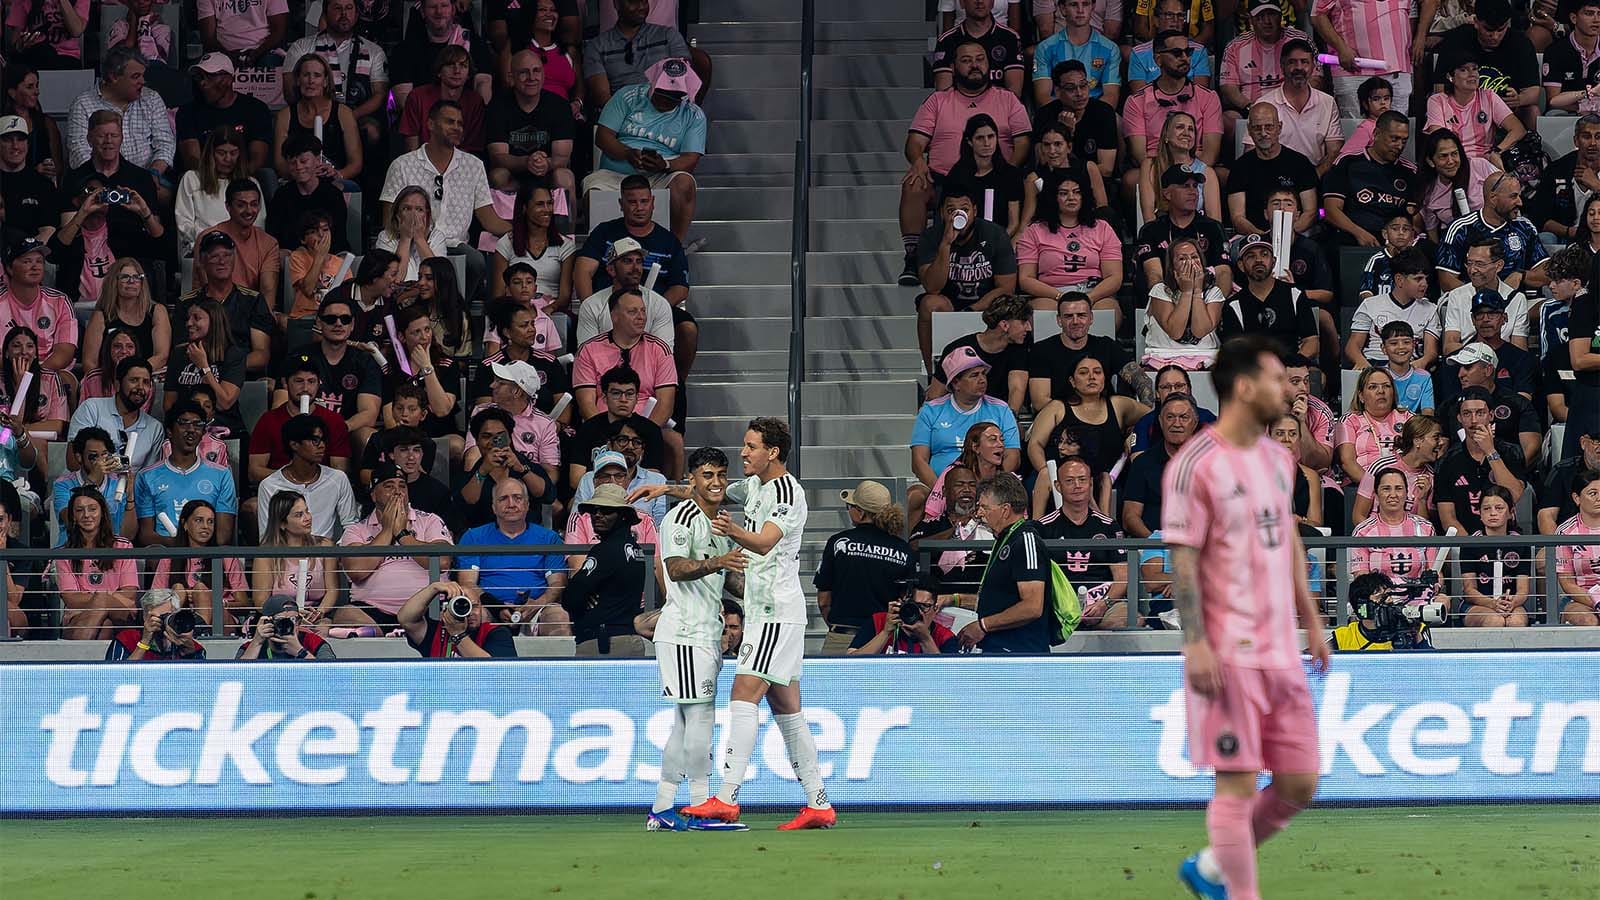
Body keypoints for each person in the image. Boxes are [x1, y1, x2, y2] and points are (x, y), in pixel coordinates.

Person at [1164, 335, 1330, 900]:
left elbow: (1286, 539)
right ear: (1243, 387)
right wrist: (1196, 642)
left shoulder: (1281, 459)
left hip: (1282, 647)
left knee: (1299, 784)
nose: (1288, 388)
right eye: (1277, 378)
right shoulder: (1194, 464)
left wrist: (1310, 616)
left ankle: (1211, 868)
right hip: (1228, 650)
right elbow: (1182, 558)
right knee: (1234, 786)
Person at [633, 418, 836, 829]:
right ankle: (818, 803)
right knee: (786, 707)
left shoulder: (785, 491)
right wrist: (665, 489)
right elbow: (710, 490)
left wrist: (732, 530)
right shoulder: (754, 486)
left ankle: (726, 797)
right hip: (766, 610)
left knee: (744, 694)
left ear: (772, 452)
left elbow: (764, 542)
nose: (742, 453)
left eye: (750, 446)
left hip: (775, 611)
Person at [643, 447, 751, 830]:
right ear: (693, 479)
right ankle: (701, 805)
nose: (717, 482)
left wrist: (757, 584)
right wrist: (718, 562)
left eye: (722, 474)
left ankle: (663, 807)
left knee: (684, 724)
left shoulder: (720, 521)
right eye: (707, 475)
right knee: (699, 718)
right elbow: (675, 568)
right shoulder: (679, 518)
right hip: (685, 633)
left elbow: (729, 580)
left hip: (704, 632)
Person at [900, 40, 1031, 281]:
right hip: (945, 180)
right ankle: (913, 256)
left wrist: (1005, 172)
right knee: (914, 182)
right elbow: (915, 142)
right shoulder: (937, 101)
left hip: (995, 175)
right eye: (966, 60)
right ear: (953, 66)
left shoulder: (1008, 99)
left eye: (980, 59)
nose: (974, 65)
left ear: (989, 64)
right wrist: (918, 161)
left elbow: (1023, 142)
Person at [379, 99, 510, 301]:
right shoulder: (402, 165)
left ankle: (457, 308)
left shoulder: (473, 165)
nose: (457, 127)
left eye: (460, 123)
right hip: (409, 240)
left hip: (454, 245)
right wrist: (409, 236)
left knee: (476, 261)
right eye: (450, 122)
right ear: (430, 124)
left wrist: (521, 230)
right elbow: (388, 218)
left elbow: (489, 219)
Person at [587, 58, 705, 243]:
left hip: (660, 175)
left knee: (684, 183)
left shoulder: (693, 114)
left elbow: (691, 159)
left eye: (673, 97)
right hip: (616, 172)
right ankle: (598, 247)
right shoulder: (628, 96)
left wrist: (665, 164)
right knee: (592, 190)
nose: (666, 101)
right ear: (653, 83)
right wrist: (627, 153)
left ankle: (675, 247)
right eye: (661, 93)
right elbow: (603, 137)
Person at [912, 187, 1019, 369]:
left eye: (964, 209)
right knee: (929, 304)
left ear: (974, 211)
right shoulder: (931, 237)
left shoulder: (994, 234)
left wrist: (972, 309)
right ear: (942, 213)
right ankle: (932, 371)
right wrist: (946, 244)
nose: (957, 215)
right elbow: (932, 287)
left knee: (1013, 306)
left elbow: (1006, 288)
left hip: (988, 303)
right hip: (949, 302)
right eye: (951, 210)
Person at [572, 289, 680, 464]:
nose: (641, 317)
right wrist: (610, 437)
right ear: (614, 316)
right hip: (603, 427)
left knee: (674, 440)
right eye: (633, 312)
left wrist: (641, 436)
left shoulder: (660, 349)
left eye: (643, 311)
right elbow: (586, 405)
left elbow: (665, 404)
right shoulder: (588, 350)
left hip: (648, 427)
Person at [340, 462, 453, 624]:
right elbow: (356, 571)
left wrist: (402, 535)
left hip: (429, 608)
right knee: (345, 614)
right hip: (372, 610)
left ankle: (392, 634)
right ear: (373, 495)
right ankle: (384, 633)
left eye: (402, 486)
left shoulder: (430, 520)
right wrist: (387, 531)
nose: (398, 492)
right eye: (389, 486)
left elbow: (442, 561)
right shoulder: (355, 530)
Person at [1028, 356, 1147, 510]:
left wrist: (1135, 434)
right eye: (1084, 373)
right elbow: (1035, 444)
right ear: (1072, 381)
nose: (1092, 377)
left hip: (1106, 479)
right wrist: (1049, 474)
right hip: (1061, 479)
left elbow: (1154, 417)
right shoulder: (1057, 407)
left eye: (1097, 372)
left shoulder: (1119, 404)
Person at [813, 480, 915, 654]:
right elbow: (905, 597)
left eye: (850, 506)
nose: (849, 510)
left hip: (842, 636)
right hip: (884, 638)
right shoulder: (903, 549)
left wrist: (836, 625)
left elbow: (824, 601)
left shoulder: (838, 543)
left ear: (860, 513)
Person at [456, 478, 570, 633]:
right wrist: (496, 607)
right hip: (489, 608)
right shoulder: (473, 537)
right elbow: (468, 583)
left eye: (517, 498)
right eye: (503, 499)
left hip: (538, 608)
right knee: (472, 616)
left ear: (527, 505)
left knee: (559, 618)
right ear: (493, 507)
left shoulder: (549, 538)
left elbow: (557, 584)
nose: (511, 504)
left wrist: (536, 604)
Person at [1121, 30, 1224, 197]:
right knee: (1131, 180)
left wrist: (1186, 171)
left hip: (1196, 167)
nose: (1185, 58)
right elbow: (1141, 155)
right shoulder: (1136, 101)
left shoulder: (1208, 98)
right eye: (1177, 53)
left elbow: (1210, 155)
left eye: (1188, 52)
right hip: (1155, 168)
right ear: (1158, 59)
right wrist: (1172, 173)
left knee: (1220, 175)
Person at [913, 347, 1022, 501]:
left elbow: (1013, 456)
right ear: (956, 382)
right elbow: (919, 461)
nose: (982, 379)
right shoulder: (931, 410)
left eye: (983, 374)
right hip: (939, 487)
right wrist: (942, 491)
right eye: (974, 375)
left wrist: (987, 488)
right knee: (914, 496)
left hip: (989, 486)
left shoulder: (1001, 409)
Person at [279, 0, 390, 151]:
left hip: (355, 114)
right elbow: (290, 93)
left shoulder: (374, 51)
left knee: (372, 129)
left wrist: (347, 117)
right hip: (311, 112)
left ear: (357, 14)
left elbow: (379, 95)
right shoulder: (301, 47)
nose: (344, 14)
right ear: (324, 13)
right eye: (337, 8)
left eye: (349, 8)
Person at [1017, 170, 1123, 325]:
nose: (1071, 198)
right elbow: (1025, 279)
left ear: (1084, 196)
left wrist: (1088, 298)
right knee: (1039, 312)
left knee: (1108, 311)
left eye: (1077, 192)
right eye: (1063, 193)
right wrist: (1060, 297)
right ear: (1053, 197)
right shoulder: (1034, 231)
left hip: (1093, 293)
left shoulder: (1103, 228)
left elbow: (1114, 277)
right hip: (1050, 294)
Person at [1036, 456, 1129, 628]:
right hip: (1058, 606)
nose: (1077, 485)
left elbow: (1123, 577)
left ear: (1091, 484)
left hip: (1102, 604)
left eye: (1082, 480)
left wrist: (1104, 604)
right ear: (1058, 486)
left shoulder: (1108, 526)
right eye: (1069, 481)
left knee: (1128, 618)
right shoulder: (1042, 528)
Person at [572, 174, 685, 311]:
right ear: (621, 204)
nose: (639, 208)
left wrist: (653, 310)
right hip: (606, 307)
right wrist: (591, 309)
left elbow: (680, 288)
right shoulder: (604, 231)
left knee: (687, 328)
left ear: (653, 202)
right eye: (632, 202)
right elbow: (582, 271)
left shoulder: (670, 241)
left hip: (655, 309)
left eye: (644, 201)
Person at [135, 400, 239, 547]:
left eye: (198, 425)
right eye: (184, 423)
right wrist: (182, 545)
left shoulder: (222, 475)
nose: (191, 429)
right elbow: (146, 536)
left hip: (207, 562)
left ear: (203, 433)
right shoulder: (146, 477)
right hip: (165, 561)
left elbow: (223, 537)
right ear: (169, 431)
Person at [560, 482, 648, 652]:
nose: (598, 515)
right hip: (628, 639)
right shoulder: (635, 548)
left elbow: (571, 598)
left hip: (604, 643)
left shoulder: (605, 550)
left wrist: (583, 597)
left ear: (623, 515)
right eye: (594, 510)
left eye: (606, 510)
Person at [65, 48, 175, 182]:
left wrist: (154, 173)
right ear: (114, 77)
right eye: (135, 76)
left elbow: (165, 144)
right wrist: (108, 178)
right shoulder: (83, 104)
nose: (143, 81)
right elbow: (79, 153)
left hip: (149, 176)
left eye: (142, 75)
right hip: (99, 178)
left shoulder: (151, 98)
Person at [1428, 0, 1542, 129]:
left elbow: (1534, 91)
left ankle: (1532, 148)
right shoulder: (1456, 40)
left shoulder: (1521, 44)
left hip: (1507, 112)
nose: (1495, 36)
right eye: (1489, 30)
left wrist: (1519, 99)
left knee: (1532, 111)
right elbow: (1440, 87)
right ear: (1476, 22)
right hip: (1462, 109)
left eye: (1501, 30)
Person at [1434, 387, 1528, 535]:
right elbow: (1448, 519)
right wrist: (1473, 549)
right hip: (1466, 546)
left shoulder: (1511, 452)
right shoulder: (1447, 461)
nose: (1473, 421)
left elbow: (1514, 494)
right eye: (1467, 414)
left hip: (1507, 538)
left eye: (1480, 413)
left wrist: (1490, 451)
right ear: (1459, 418)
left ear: (1491, 415)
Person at [177, 232, 271, 377]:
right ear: (202, 261)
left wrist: (223, 367)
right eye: (214, 256)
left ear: (234, 259)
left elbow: (261, 356)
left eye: (227, 255)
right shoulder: (186, 303)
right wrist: (208, 369)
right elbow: (181, 350)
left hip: (242, 377)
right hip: (197, 376)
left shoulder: (253, 300)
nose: (222, 261)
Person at [251, 490, 350, 628]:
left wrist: (319, 612)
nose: (307, 517)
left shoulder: (325, 546)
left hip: (316, 618)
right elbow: (261, 603)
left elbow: (332, 590)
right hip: (280, 619)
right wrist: (291, 614)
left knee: (324, 629)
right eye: (299, 515)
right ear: (282, 524)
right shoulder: (267, 554)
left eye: (307, 511)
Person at [1437, 173, 1548, 294]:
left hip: (1520, 301)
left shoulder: (1524, 227)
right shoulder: (1461, 229)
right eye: (1513, 196)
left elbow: (1546, 273)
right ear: (1493, 198)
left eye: (1519, 196)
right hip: (1474, 304)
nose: (1520, 202)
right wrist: (1482, 298)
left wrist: (1520, 275)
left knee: (1550, 310)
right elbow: (1446, 280)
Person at [1028, 292, 1142, 410]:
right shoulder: (1042, 350)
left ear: (1091, 318)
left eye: (1081, 315)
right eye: (1068, 316)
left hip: (1104, 418)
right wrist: (1082, 416)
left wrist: (1147, 418)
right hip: (1060, 420)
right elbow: (1040, 402)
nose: (1075, 321)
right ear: (1059, 320)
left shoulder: (1106, 345)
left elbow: (1141, 380)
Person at [1321, 111, 1420, 246]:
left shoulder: (1410, 171)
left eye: (1404, 140)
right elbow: (1331, 210)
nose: (1400, 146)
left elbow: (1413, 218)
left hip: (1395, 242)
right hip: (1352, 236)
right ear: (1376, 134)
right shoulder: (1348, 162)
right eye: (1394, 139)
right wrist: (1359, 233)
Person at [485, 50, 575, 196]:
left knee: (564, 176)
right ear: (511, 77)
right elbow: (498, 158)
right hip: (513, 175)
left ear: (543, 74)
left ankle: (566, 220)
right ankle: (502, 220)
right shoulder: (497, 107)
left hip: (548, 174)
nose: (531, 77)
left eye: (536, 71)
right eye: (524, 73)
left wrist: (546, 164)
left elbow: (562, 158)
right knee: (497, 176)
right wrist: (527, 162)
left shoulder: (560, 106)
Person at [255, 413, 360, 538]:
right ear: (294, 444)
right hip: (286, 554)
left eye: (323, 440)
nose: (322, 446)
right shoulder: (269, 486)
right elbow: (267, 536)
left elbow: (351, 525)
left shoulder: (338, 478)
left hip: (326, 554)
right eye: (315, 441)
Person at [150, 498, 248, 631]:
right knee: (178, 589)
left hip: (221, 621)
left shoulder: (226, 557)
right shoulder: (169, 559)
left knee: (201, 590)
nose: (206, 526)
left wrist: (212, 601)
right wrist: (184, 597)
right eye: (199, 520)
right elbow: (155, 601)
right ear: (185, 524)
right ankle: (195, 632)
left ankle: (200, 633)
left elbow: (244, 604)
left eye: (210, 522)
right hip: (181, 619)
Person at [1310, 0, 1421, 117]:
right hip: (1353, 68)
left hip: (1398, 68)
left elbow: (1420, 7)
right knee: (1355, 129)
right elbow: (1317, 15)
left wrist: (1419, 37)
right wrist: (1341, 48)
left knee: (1397, 129)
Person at [1133, 166, 1233, 296]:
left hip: (1207, 302)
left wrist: (1215, 305)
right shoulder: (1151, 230)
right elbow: (1154, 275)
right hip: (1165, 302)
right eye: (1185, 186)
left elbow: (1224, 272)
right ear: (1167, 194)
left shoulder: (1213, 227)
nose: (1193, 192)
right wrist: (1171, 307)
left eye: (1195, 186)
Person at [56, 485, 139, 640]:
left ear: (102, 513)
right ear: (73, 516)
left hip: (119, 614)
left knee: (102, 603)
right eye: (79, 510)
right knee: (105, 627)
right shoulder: (64, 553)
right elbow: (71, 599)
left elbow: (130, 594)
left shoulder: (123, 546)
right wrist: (106, 598)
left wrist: (101, 598)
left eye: (92, 509)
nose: (86, 515)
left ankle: (80, 661)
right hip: (78, 616)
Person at [299, 298, 382, 451]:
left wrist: (341, 427)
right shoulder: (299, 356)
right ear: (319, 323)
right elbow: (280, 404)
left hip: (346, 432)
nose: (338, 324)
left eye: (345, 319)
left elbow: (369, 413)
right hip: (302, 434)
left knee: (369, 436)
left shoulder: (365, 362)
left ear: (352, 325)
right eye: (331, 319)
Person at [1435, 342, 1541, 461]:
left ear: (1488, 370)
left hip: (1507, 474)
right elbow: (1439, 448)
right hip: (1461, 476)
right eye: (1460, 367)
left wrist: (1507, 473)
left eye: (1468, 367)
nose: (1460, 374)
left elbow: (1532, 448)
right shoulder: (1449, 406)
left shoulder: (1517, 403)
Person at [1225, 104, 1317, 237]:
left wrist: (1286, 235)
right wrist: (1264, 237)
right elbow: (1238, 217)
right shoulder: (1240, 167)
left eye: (1269, 127)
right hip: (1254, 237)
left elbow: (1310, 212)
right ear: (1249, 130)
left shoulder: (1300, 163)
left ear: (1279, 128)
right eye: (1257, 128)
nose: (1263, 133)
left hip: (1295, 235)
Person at [926, 294, 1031, 410]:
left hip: (998, 414)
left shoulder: (1019, 349)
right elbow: (934, 395)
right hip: (961, 414)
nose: (1029, 328)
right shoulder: (958, 349)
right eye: (1023, 322)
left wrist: (1009, 420)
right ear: (1004, 325)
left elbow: (1017, 389)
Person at [583, 0, 697, 108]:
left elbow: (682, 84)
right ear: (616, 3)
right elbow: (603, 99)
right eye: (634, 1)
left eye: (644, 1)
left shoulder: (669, 36)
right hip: (621, 117)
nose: (641, 7)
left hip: (665, 113)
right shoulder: (596, 46)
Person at [1221, 235, 1318, 359]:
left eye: (1264, 254)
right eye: (1251, 256)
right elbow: (1233, 351)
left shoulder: (1295, 294)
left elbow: (1312, 342)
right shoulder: (1234, 305)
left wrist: (1292, 365)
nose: (1258, 260)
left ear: (1274, 261)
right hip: (1253, 373)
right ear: (1241, 265)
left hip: (1291, 370)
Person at [175, 53, 272, 176]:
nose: (203, 83)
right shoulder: (187, 112)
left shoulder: (256, 109)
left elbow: (257, 160)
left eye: (209, 76)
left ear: (228, 79)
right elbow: (192, 160)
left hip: (243, 180)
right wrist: (215, 184)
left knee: (267, 175)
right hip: (204, 180)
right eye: (199, 77)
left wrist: (234, 184)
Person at [391, 0, 495, 114]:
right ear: (423, 12)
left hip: (467, 117)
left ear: (453, 10)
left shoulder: (474, 43)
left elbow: (483, 83)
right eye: (432, 7)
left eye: (444, 6)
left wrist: (477, 115)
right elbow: (403, 97)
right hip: (422, 119)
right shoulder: (404, 49)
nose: (439, 12)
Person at [273, 54, 363, 184]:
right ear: (298, 80)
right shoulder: (285, 115)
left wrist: (337, 174)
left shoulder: (343, 113)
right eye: (306, 75)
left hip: (334, 181)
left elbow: (355, 163)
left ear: (326, 81)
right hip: (296, 181)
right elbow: (280, 163)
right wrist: (301, 175)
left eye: (317, 75)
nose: (311, 81)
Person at [568, 365, 666, 486]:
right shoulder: (589, 428)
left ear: (637, 398)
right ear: (604, 397)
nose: (623, 399)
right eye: (616, 393)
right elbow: (576, 479)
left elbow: (652, 479)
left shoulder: (651, 430)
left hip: (637, 496)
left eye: (629, 394)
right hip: (595, 494)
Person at [66, 355, 164, 474]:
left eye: (146, 382)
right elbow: (73, 462)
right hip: (89, 488)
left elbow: (149, 477)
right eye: (134, 380)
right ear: (117, 384)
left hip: (130, 490)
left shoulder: (154, 428)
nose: (140, 387)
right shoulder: (91, 409)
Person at [1122, 392, 1200, 537]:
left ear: (1194, 423)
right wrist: (1154, 542)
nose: (1176, 424)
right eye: (1170, 417)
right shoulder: (1143, 463)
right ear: (1160, 421)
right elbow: (1130, 517)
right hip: (1153, 547)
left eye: (1184, 417)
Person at [1347, 249, 1439, 370]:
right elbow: (1352, 346)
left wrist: (1421, 363)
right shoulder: (1370, 305)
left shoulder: (1430, 309)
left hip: (1410, 366)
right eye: (1418, 279)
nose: (1424, 284)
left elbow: (1430, 352)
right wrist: (1364, 365)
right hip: (1375, 363)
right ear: (1399, 280)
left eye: (1425, 279)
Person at [1435, 243, 1533, 356]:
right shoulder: (1457, 296)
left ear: (1499, 265)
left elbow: (1519, 351)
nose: (1472, 270)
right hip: (1466, 361)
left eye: (1480, 264)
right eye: (1469, 263)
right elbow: (1450, 346)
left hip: (1504, 362)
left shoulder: (1517, 299)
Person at [1142, 237, 1225, 369]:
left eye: (1194, 257)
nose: (1190, 263)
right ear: (1172, 267)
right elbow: (1175, 331)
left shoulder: (1213, 292)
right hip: (1163, 357)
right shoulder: (1160, 291)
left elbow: (1200, 331)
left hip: (1207, 358)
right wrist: (1186, 292)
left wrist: (1197, 291)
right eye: (1182, 259)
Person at [1029, 62, 1117, 185]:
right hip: (1054, 183)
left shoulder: (1103, 112)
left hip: (1093, 183)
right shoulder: (1044, 115)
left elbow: (1106, 169)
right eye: (1071, 88)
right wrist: (1065, 133)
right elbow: (1043, 163)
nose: (1079, 93)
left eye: (1083, 85)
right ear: (1058, 91)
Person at [195, 176, 281, 300]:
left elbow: (268, 293)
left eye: (254, 204)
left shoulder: (269, 243)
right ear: (228, 207)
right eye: (241, 205)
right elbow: (207, 290)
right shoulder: (208, 238)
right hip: (212, 311)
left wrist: (261, 318)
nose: (249, 211)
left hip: (252, 311)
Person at [1457, 484, 1532, 626]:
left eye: (1499, 508)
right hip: (1477, 605)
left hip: (1511, 604)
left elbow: (1523, 589)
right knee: (1494, 620)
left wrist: (1511, 603)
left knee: (1516, 621)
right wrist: (1492, 603)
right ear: (1479, 513)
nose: (1492, 513)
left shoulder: (1521, 543)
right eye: (1486, 509)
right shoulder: (1470, 543)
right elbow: (1469, 589)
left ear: (1511, 512)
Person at [177, 135, 264, 254]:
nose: (228, 159)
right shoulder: (192, 179)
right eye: (221, 153)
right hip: (204, 248)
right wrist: (211, 241)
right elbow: (184, 224)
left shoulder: (251, 183)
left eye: (233, 153)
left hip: (243, 250)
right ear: (211, 154)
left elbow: (258, 223)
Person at [1352, 466, 1441, 582]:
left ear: (1406, 493)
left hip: (1420, 597)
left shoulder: (1426, 528)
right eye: (1386, 489)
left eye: (1398, 488)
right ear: (1376, 494)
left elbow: (1436, 575)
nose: (1393, 494)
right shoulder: (1362, 532)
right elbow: (1361, 579)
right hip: (1379, 597)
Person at [1219, 3, 1306, 120]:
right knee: (1226, 120)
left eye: (1271, 14)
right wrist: (1250, 107)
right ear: (1251, 20)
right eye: (1260, 16)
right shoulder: (1235, 46)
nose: (1267, 21)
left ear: (1280, 16)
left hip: (1294, 106)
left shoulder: (1300, 40)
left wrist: (1293, 102)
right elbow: (1228, 86)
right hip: (1248, 108)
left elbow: (1316, 79)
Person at [265, 134, 349, 253]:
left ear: (317, 160)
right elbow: (273, 235)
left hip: (329, 258)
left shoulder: (332, 194)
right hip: (292, 260)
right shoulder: (282, 196)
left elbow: (339, 237)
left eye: (304, 161)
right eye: (293, 163)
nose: (299, 167)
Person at [397, 45, 487, 155]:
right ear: (439, 71)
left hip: (461, 166)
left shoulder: (475, 101)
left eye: (463, 66)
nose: (457, 71)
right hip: (421, 163)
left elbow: (470, 149)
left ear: (469, 74)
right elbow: (411, 148)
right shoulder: (417, 96)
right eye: (450, 65)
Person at [1032, 0, 1122, 106]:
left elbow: (1111, 96)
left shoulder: (1110, 48)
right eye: (1073, 4)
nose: (1080, 10)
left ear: (1093, 7)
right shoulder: (1045, 48)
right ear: (1063, 9)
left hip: (1096, 114)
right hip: (1058, 113)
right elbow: (1043, 96)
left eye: (1085, 4)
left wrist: (1086, 117)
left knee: (1119, 121)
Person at [397, 579, 518, 658]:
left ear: (482, 608)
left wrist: (458, 635)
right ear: (446, 609)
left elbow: (496, 671)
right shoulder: (436, 632)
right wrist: (433, 588)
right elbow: (406, 619)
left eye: (474, 606)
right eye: (461, 607)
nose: (469, 612)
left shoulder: (497, 633)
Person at [933, 0, 1026, 96]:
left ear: (993, 2)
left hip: (999, 108)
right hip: (959, 109)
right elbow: (943, 96)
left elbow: (1014, 95)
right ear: (962, 3)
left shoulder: (1010, 38)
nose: (980, 1)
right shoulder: (946, 41)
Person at [1417, 129, 1494, 243]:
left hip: (1495, 235)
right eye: (1443, 156)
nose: (1451, 161)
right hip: (1458, 243)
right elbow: (1432, 231)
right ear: (1430, 161)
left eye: (1454, 154)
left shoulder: (1480, 166)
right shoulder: (1429, 192)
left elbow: (1508, 192)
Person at [1329, 572, 1435, 650]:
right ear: (1362, 605)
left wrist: (1416, 635)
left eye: (1390, 595)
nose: (1389, 601)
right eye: (1381, 597)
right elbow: (1314, 661)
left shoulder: (1416, 628)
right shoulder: (1343, 637)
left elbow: (1432, 668)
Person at [1127, 0, 1214, 94]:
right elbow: (1139, 99)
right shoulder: (1139, 54)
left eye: (1180, 15)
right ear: (1156, 20)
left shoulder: (1198, 52)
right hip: (1151, 107)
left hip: (1190, 107)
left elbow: (1201, 96)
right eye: (1169, 15)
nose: (1175, 20)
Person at [0, 113, 58, 244]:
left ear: (28, 143)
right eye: (8, 139)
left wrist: (24, 255)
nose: (15, 146)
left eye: (20, 139)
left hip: (32, 257)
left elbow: (48, 230)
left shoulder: (42, 184)